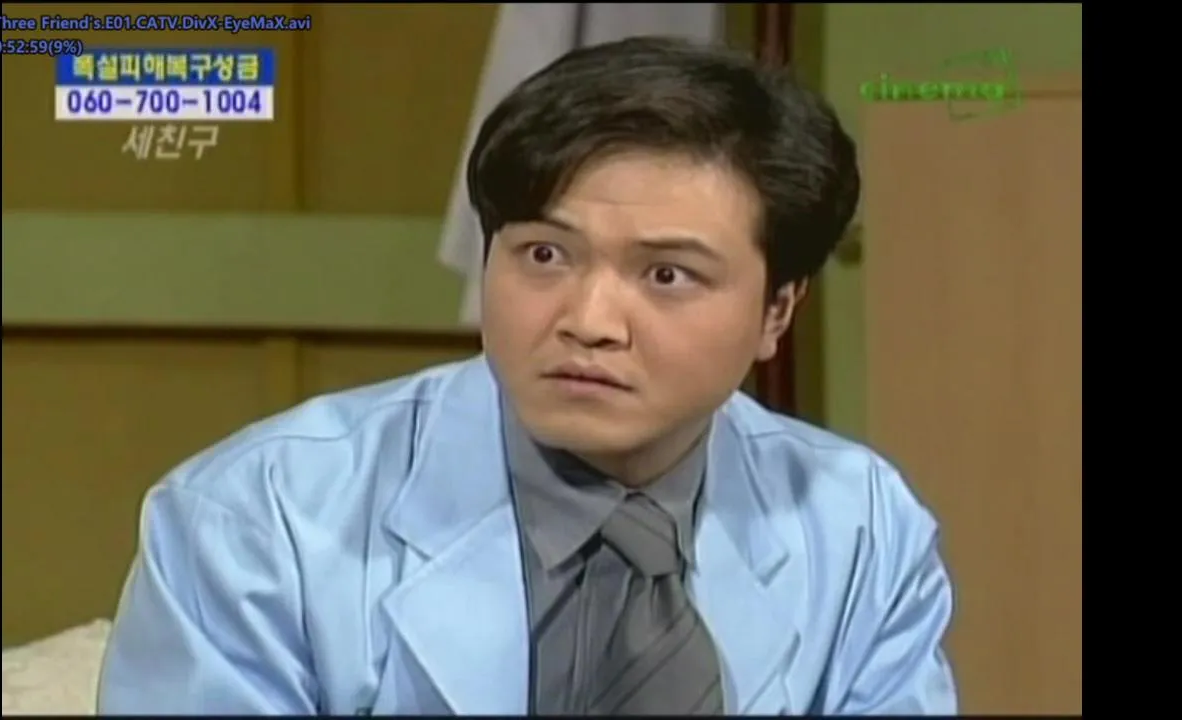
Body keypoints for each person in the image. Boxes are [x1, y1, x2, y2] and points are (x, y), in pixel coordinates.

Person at [98, 37, 957, 716]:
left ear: (777, 311)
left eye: (666, 275)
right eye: (544, 255)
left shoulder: (859, 525)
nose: (588, 320)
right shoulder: (260, 516)